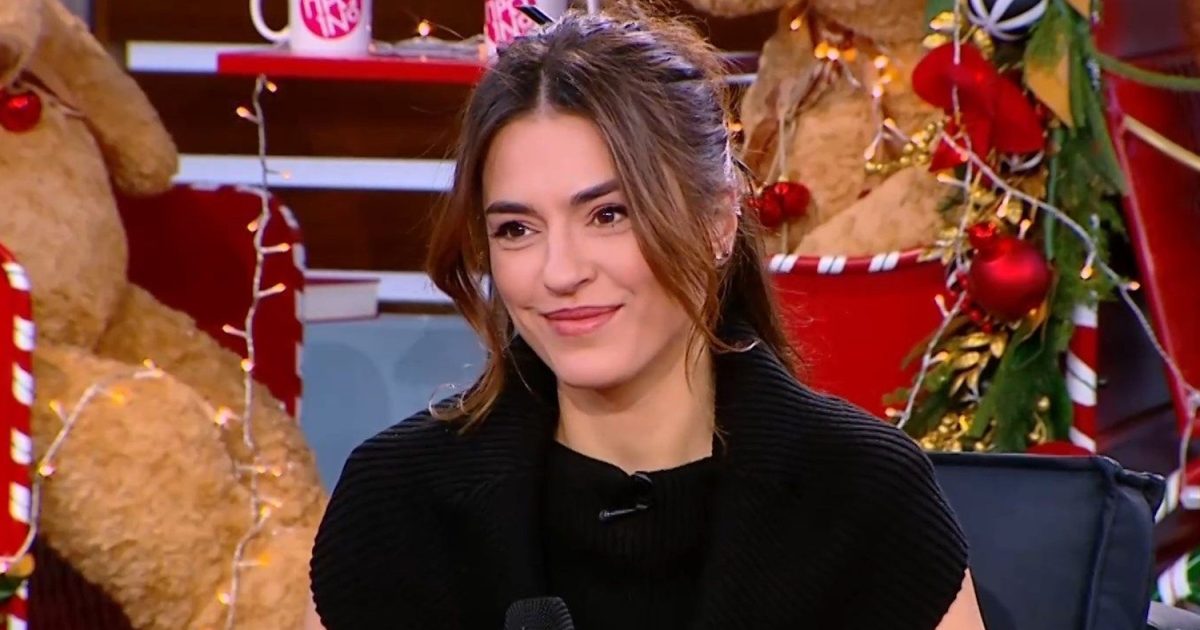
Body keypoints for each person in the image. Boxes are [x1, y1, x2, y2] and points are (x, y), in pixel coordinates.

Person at [309, 6, 985, 629]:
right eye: (517, 229)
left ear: (719, 220)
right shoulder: (398, 507)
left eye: (609, 214)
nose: (560, 271)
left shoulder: (863, 498)